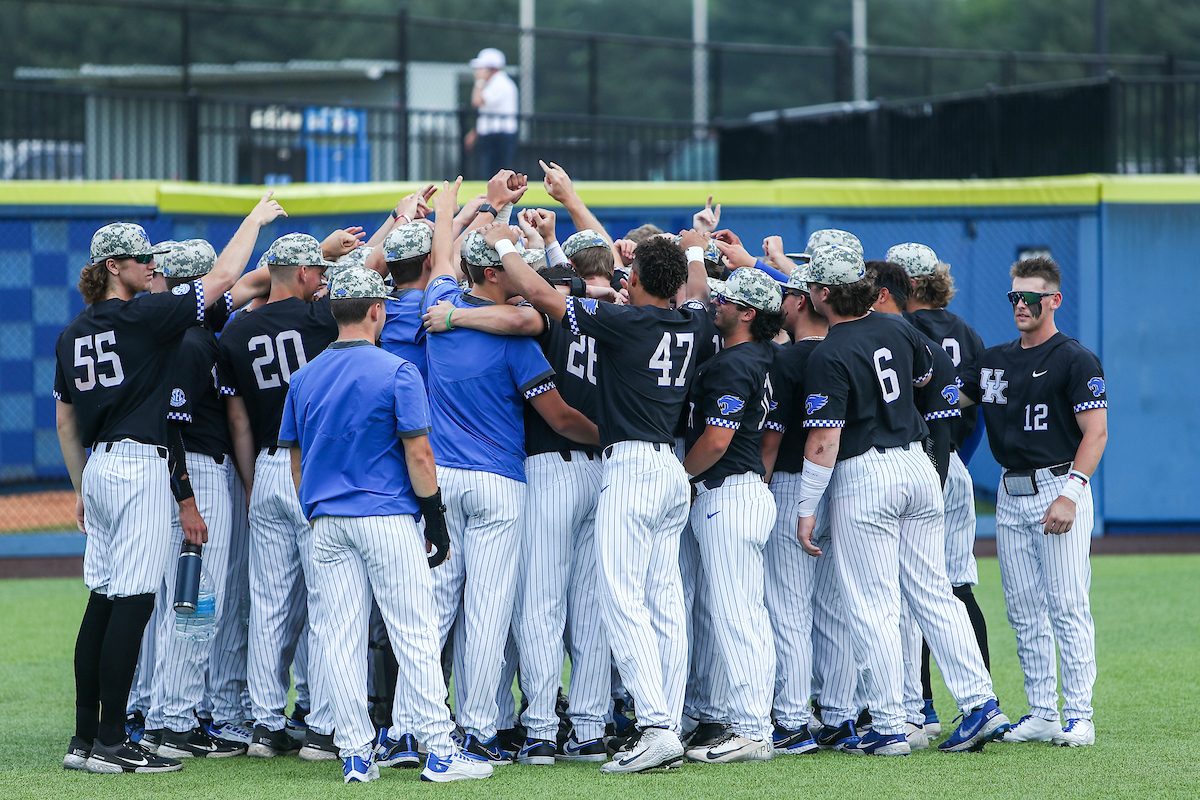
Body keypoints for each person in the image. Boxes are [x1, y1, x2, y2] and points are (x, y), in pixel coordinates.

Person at [55, 196, 284, 774]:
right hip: (138, 468)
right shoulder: (142, 317)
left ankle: (85, 740)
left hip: (101, 468)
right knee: (134, 604)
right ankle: (112, 743)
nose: (147, 264)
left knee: (102, 603)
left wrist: (81, 485)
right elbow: (227, 277)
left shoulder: (71, 333)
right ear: (113, 266)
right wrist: (254, 220)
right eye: (137, 258)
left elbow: (64, 419)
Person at [478, 219, 710, 773]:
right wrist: (695, 246)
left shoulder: (626, 320)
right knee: (666, 606)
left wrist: (505, 242)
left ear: (637, 282)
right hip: (671, 469)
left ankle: (654, 727)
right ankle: (667, 723)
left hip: (629, 467)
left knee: (623, 600)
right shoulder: (692, 320)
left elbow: (538, 293)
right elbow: (698, 290)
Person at [277, 266, 492, 783]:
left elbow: (297, 460)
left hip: (328, 521)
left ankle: (355, 755)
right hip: (388, 519)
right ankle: (439, 750)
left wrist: (314, 509)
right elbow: (419, 455)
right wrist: (436, 521)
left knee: (336, 637)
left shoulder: (304, 377)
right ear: (378, 310)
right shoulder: (397, 370)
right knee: (414, 632)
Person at [795, 243, 1009, 756]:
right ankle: (981, 702)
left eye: (812, 287)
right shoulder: (899, 327)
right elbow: (929, 380)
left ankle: (892, 723)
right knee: (933, 592)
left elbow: (824, 441)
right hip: (916, 462)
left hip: (864, 472)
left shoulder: (829, 350)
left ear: (824, 293)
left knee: (873, 604)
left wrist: (806, 508)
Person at [420, 178, 599, 765]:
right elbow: (558, 413)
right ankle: (479, 729)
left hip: (444, 479)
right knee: (491, 611)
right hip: (501, 479)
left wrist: (459, 205)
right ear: (494, 274)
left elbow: (444, 253)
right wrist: (613, 437)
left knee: (436, 608)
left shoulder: (436, 306)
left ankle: (413, 727)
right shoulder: (516, 334)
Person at [216, 232, 342, 761]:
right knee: (326, 599)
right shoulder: (320, 319)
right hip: (313, 468)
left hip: (266, 468)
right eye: (316, 269)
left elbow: (238, 418)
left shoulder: (236, 331)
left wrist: (250, 485)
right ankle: (320, 722)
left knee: (267, 605)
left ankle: (265, 726)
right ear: (306, 274)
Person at [979, 256, 1107, 748]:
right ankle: (1041, 712)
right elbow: (957, 405)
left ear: (1054, 299)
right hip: (1012, 493)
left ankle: (1079, 714)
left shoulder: (1075, 358)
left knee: (1067, 605)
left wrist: (1072, 494)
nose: (1021, 305)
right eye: (1014, 296)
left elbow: (1095, 434)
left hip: (1058, 485)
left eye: (1031, 297)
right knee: (1023, 610)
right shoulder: (995, 359)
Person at [681, 268, 784, 764]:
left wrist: (678, 476)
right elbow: (769, 438)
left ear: (749, 313)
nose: (715, 303)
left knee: (737, 615)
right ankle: (739, 719)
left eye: (727, 299)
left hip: (728, 493)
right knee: (740, 613)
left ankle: (750, 727)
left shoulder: (734, 363)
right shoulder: (768, 356)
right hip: (748, 491)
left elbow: (717, 440)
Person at [889, 241, 990, 737]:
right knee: (956, 587)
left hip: (915, 465)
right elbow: (979, 407)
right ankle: (982, 695)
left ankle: (920, 706)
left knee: (915, 591)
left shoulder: (901, 329)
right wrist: (957, 465)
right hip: (954, 468)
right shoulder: (967, 333)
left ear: (903, 285)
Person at [760, 262, 860, 755]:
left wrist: (759, 480)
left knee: (788, 605)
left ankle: (795, 719)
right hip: (839, 482)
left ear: (802, 300)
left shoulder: (787, 360)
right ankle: (840, 714)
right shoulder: (846, 348)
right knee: (833, 604)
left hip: (793, 484)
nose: (779, 303)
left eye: (784, 295)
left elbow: (774, 435)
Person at [464, 48, 519, 178]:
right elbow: (487, 111)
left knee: (496, 177)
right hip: (493, 136)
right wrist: (475, 132)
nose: (477, 71)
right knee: (491, 175)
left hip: (500, 136)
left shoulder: (500, 83)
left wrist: (479, 81)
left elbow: (477, 101)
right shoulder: (495, 83)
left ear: (491, 68)